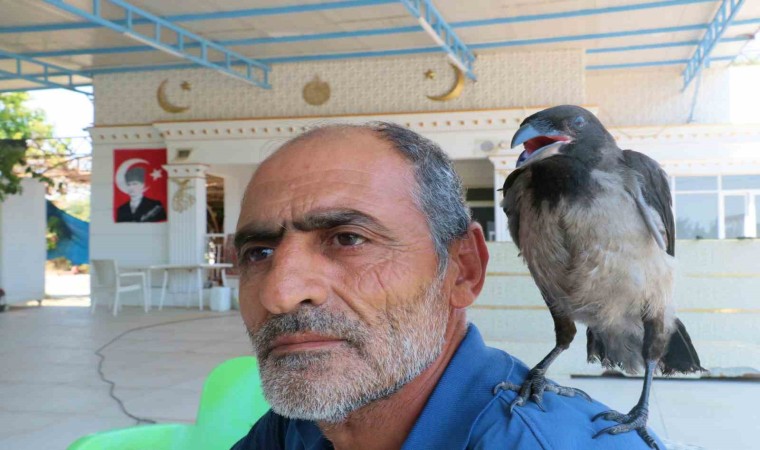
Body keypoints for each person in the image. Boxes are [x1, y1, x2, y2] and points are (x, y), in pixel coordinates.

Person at [231, 123, 664, 450]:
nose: (279, 294)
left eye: (348, 239)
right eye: (258, 253)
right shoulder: (300, 426)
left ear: (463, 270)